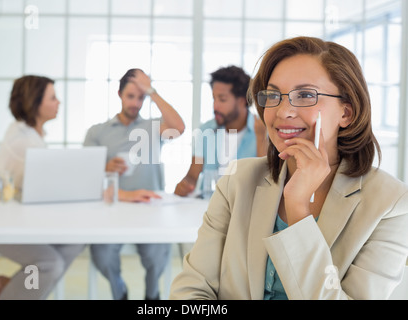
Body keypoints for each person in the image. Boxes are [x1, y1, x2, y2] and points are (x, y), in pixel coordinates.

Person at [170, 36, 408, 300]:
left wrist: (298, 209)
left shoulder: (392, 204)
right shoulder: (236, 183)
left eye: (305, 95)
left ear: (346, 113)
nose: (283, 111)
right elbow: (191, 290)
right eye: (273, 95)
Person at [83, 68, 185, 300]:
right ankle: (119, 292)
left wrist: (153, 92)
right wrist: (104, 166)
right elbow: (85, 174)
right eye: (131, 96)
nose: (136, 103)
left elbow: (179, 127)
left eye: (141, 97)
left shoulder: (153, 128)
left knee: (157, 254)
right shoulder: (98, 132)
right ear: (119, 94)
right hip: (111, 208)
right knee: (103, 254)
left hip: (150, 209)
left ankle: (152, 297)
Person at [0, 75, 85, 300]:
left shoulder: (27, 133)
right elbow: (57, 185)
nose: (59, 102)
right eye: (53, 98)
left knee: (76, 239)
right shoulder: (24, 141)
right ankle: (9, 295)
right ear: (35, 103)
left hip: (21, 219)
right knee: (49, 263)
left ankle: (13, 288)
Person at [174, 65, 267, 198]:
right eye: (214, 98)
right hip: (207, 207)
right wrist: (184, 185)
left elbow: (265, 181)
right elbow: (192, 176)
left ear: (241, 101)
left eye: (222, 99)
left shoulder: (262, 131)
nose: (215, 106)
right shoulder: (206, 130)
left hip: (244, 210)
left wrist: (261, 138)